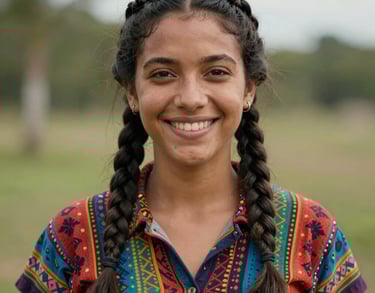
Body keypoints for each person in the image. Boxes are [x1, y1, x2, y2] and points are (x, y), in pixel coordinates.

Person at [16, 0, 367, 292]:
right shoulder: (73, 232)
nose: (190, 98)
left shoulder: (311, 229)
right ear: (132, 91)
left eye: (216, 72)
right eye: (163, 74)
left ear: (248, 89)